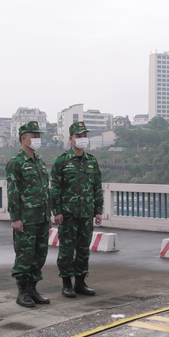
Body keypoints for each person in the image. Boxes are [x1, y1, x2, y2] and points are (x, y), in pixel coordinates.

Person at [51, 121, 103, 298]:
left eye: (85, 136)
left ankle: (80, 282)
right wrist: (56, 211)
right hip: (68, 214)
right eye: (79, 136)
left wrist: (98, 210)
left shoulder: (91, 161)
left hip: (86, 213)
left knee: (83, 249)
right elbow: (55, 188)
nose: (83, 139)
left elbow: (97, 186)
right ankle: (67, 283)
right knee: (67, 249)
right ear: (71, 139)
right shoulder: (62, 161)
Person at [6, 121, 52, 307]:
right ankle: (22, 292)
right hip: (25, 219)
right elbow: (12, 192)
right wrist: (16, 218)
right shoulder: (16, 163)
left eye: (39, 136)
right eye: (34, 136)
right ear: (24, 139)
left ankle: (33, 289)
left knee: (39, 255)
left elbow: (45, 191)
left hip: (41, 217)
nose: (38, 139)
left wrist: (47, 216)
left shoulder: (39, 162)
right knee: (24, 256)